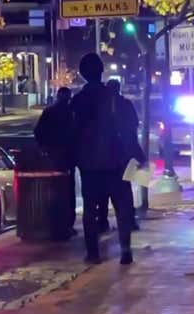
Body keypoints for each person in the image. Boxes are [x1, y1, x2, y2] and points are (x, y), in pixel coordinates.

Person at [71, 53, 136, 265]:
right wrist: (136, 156)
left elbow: (72, 133)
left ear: (82, 74)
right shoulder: (117, 100)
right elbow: (130, 132)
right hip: (116, 162)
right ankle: (125, 251)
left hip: (90, 166)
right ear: (101, 71)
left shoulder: (78, 102)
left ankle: (93, 253)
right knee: (122, 207)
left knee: (90, 209)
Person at [34, 87, 77, 236]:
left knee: (54, 191)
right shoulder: (71, 113)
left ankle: (56, 223)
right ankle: (66, 224)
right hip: (68, 156)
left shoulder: (50, 112)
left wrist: (45, 147)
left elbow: (38, 132)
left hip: (54, 156)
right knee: (68, 191)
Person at [105, 79, 146, 232]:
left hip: (113, 154)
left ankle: (124, 220)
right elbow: (133, 126)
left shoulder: (106, 106)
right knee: (125, 189)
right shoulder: (125, 105)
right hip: (123, 152)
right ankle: (128, 220)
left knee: (117, 190)